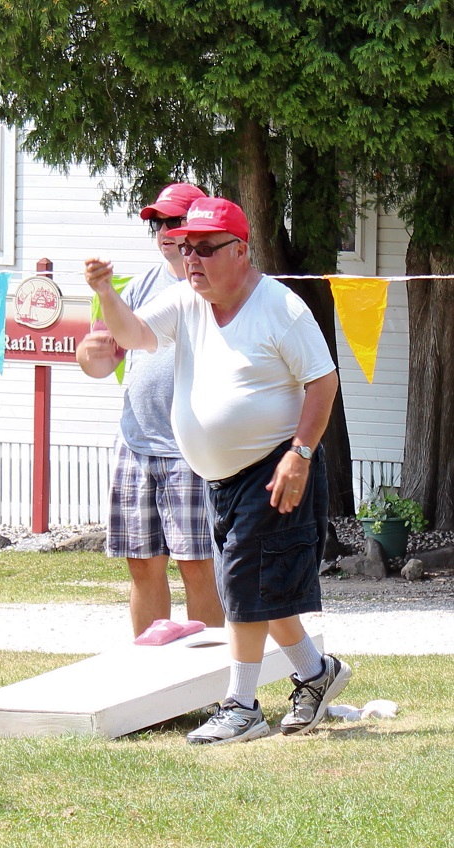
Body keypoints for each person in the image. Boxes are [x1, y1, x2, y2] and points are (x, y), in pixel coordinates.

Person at [86, 197, 349, 745]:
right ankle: (316, 673)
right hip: (221, 478)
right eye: (187, 248)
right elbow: (133, 336)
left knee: (242, 585)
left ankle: (241, 706)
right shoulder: (186, 299)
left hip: (274, 466)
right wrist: (106, 294)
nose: (192, 259)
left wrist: (299, 455)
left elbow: (323, 382)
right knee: (264, 590)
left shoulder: (281, 308)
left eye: (205, 248)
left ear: (240, 251)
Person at [77, 183, 225, 637]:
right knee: (142, 564)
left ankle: (209, 672)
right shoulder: (141, 286)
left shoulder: (216, 289)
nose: (164, 231)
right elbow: (100, 364)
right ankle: (150, 669)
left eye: (174, 221)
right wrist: (89, 352)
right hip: (136, 442)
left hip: (191, 449)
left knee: (197, 565)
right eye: (157, 223)